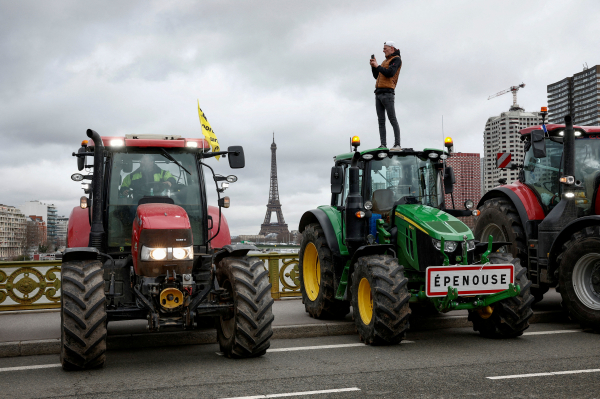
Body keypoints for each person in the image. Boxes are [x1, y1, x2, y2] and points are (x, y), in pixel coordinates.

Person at [370, 41, 402, 151]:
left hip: (388, 93)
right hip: (378, 93)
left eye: (385, 48)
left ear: (392, 49)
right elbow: (376, 75)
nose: (383, 50)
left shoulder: (396, 59)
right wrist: (374, 66)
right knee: (381, 120)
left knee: (392, 118)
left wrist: (378, 66)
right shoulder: (385, 61)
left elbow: (390, 73)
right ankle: (383, 144)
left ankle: (397, 144)